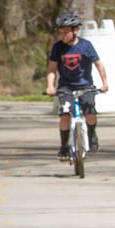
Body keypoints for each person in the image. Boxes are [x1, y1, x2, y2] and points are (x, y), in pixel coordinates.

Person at [46, 12, 109, 158]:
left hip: (85, 85)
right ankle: (64, 146)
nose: (63, 35)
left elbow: (99, 64)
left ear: (76, 30)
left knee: (90, 114)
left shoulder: (85, 45)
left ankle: (92, 135)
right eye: (60, 32)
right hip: (65, 87)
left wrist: (105, 83)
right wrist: (50, 86)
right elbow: (52, 68)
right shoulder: (58, 47)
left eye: (66, 32)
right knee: (65, 115)